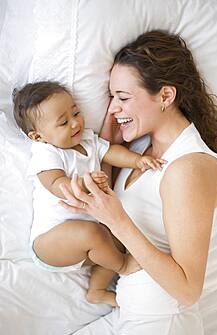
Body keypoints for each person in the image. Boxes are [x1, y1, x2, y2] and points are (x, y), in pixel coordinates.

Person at [24, 30, 217, 335]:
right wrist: (106, 139)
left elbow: (188, 290)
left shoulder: (189, 166)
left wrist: (116, 221)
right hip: (128, 314)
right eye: (111, 97)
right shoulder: (144, 151)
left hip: (160, 327)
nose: (113, 108)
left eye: (122, 97)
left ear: (165, 95)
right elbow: (103, 187)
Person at [12, 81, 164, 306]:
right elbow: (56, 184)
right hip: (51, 243)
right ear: (38, 137)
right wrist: (85, 183)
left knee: (117, 237)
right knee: (92, 233)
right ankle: (122, 266)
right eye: (63, 122)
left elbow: (112, 152)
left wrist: (137, 161)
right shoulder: (46, 153)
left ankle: (97, 290)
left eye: (76, 113)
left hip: (90, 242)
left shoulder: (88, 139)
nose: (75, 123)